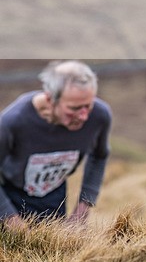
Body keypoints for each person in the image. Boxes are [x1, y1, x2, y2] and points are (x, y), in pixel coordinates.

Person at [0, 61, 112, 226]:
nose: (84, 116)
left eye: (88, 106)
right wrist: (12, 221)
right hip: (8, 197)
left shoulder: (100, 116)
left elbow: (99, 157)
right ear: (50, 99)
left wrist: (81, 214)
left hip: (53, 198)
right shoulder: (12, 122)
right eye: (74, 108)